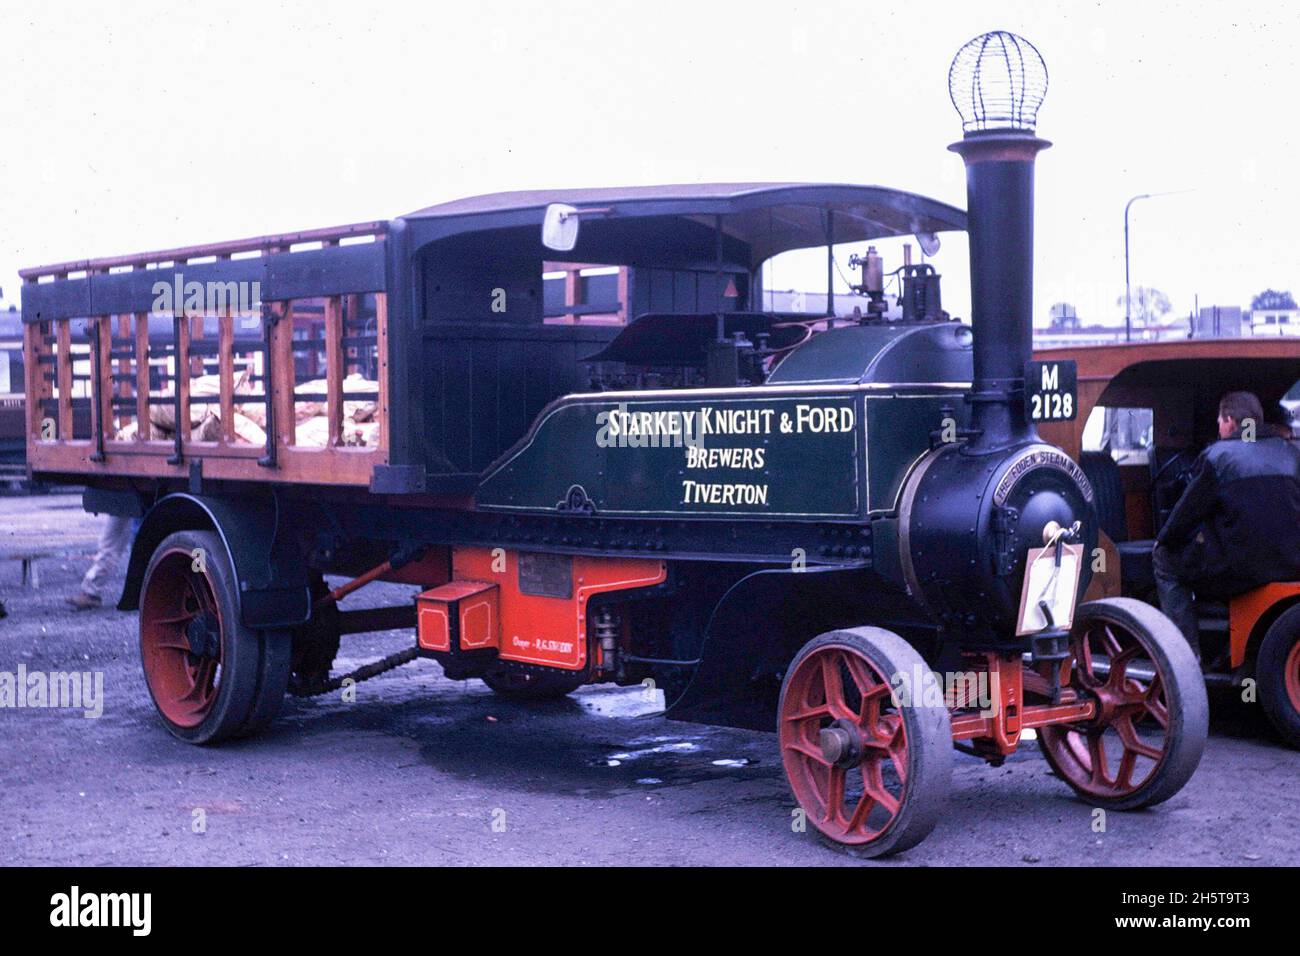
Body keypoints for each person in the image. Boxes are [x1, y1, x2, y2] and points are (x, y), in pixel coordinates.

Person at [1152, 391, 1300, 660]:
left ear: (1230, 420)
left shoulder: (1217, 456)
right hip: (1292, 563)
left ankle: (1184, 658)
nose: (1219, 428)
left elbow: (1184, 517)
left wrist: (1164, 539)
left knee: (1164, 558)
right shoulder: (1292, 453)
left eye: (1220, 422)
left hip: (1240, 571)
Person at [66, 514, 135, 611]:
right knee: (112, 545)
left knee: (109, 546)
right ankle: (91, 592)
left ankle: (91, 593)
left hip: (123, 505)